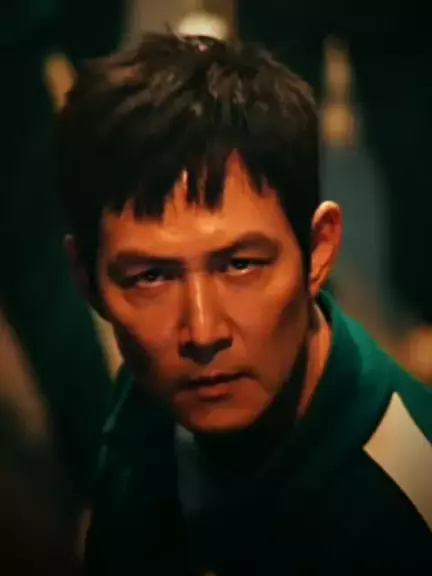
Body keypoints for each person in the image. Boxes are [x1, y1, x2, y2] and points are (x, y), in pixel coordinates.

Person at [56, 33, 432, 575]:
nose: (202, 331)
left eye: (240, 265)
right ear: (87, 280)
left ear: (318, 250)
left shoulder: (406, 508)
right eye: (151, 277)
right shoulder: (146, 399)